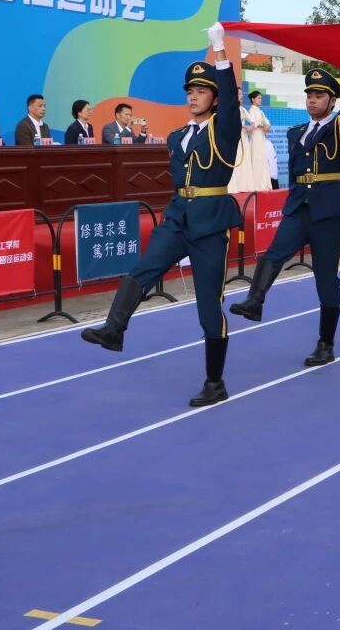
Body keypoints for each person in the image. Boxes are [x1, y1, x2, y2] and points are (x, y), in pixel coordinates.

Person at [81, 23, 242, 407]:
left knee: (208, 305)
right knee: (142, 269)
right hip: (178, 216)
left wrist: (219, 49)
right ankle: (114, 329)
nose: (193, 96)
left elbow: (230, 103)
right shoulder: (176, 137)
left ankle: (215, 382)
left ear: (215, 98)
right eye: (190, 91)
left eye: (201, 91)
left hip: (210, 222)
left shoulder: (224, 130)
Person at [229, 66, 340, 366]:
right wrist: (293, 199)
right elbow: (295, 174)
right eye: (309, 95)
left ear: (332, 101)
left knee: (326, 278)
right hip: (298, 207)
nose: (312, 100)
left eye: (319, 95)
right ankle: (255, 301)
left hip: (328, 211)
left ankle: (325, 344)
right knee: (274, 253)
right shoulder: (295, 133)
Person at [228, 89, 274, 193]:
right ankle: (237, 186)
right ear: (253, 99)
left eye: (241, 94)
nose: (241, 96)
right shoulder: (237, 109)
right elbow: (232, 122)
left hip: (245, 136)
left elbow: (253, 122)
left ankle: (246, 185)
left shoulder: (243, 109)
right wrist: (246, 126)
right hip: (236, 136)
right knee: (237, 159)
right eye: (239, 94)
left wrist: (251, 127)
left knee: (245, 159)